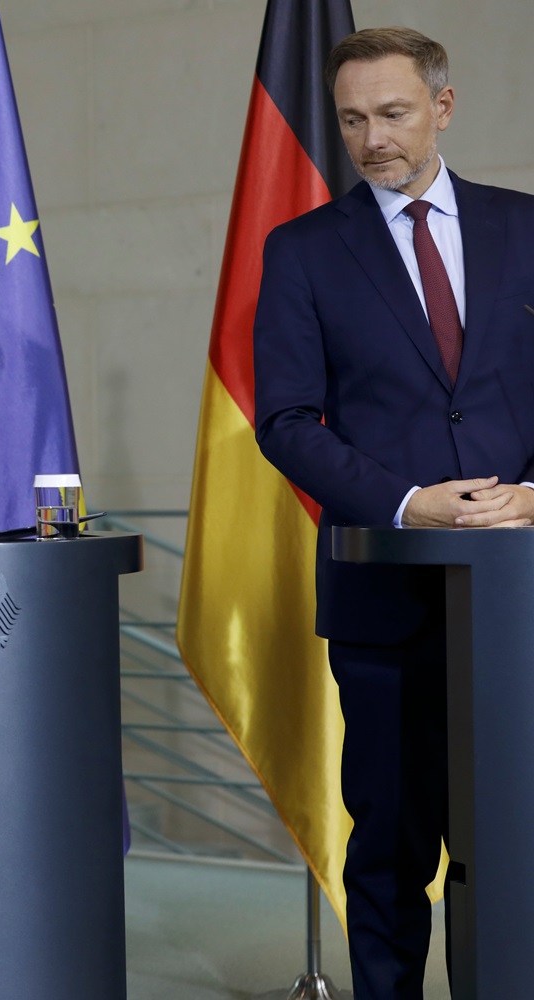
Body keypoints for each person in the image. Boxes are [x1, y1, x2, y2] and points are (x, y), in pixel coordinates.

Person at [253, 27, 534, 1000]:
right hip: (384, 605)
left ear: (442, 108)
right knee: (389, 848)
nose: (370, 137)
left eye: (392, 112)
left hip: (521, 598)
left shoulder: (524, 227)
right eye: (350, 119)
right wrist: (412, 503)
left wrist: (531, 497)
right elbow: (286, 421)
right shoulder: (301, 250)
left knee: (518, 837)